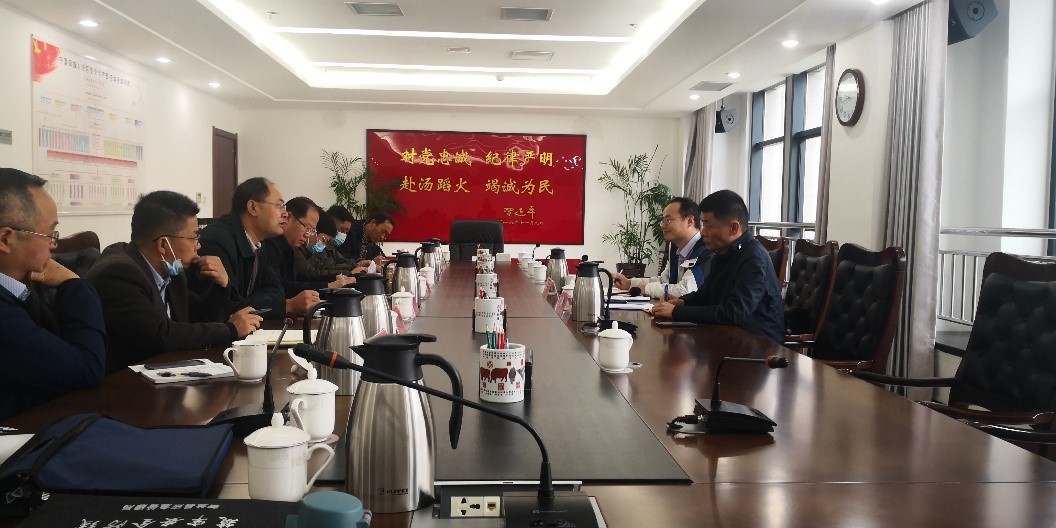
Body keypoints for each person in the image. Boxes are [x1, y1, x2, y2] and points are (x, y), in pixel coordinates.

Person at [86, 191, 263, 373]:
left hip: (163, 373)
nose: (198, 245)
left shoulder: (171, 269)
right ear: (163, 244)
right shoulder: (118, 274)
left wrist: (222, 285)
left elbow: (196, 319)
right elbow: (160, 335)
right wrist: (230, 330)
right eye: (194, 237)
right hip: (123, 381)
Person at [0, 168, 106, 419]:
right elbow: (87, 369)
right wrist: (74, 283)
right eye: (49, 233)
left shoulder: (17, 291)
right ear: (5, 239)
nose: (53, 244)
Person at [651, 190, 784, 343]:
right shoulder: (722, 252)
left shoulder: (753, 257)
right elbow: (706, 294)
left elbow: (734, 312)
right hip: (728, 336)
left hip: (758, 344)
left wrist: (677, 312)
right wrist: (682, 302)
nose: (703, 232)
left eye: (708, 225)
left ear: (733, 228)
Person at [188, 177, 298, 319]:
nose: (285, 213)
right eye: (279, 205)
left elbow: (276, 290)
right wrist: (283, 305)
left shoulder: (259, 242)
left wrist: (245, 302)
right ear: (253, 207)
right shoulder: (216, 241)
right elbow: (226, 307)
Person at [612, 197, 709, 299]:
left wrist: (646, 289)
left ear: (689, 221)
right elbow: (664, 281)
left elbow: (686, 290)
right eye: (663, 221)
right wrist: (630, 283)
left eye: (668, 220)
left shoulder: (706, 249)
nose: (663, 226)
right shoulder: (675, 248)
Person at [262, 197, 353, 298]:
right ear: (288, 218)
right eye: (307, 228)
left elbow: (298, 278)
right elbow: (281, 287)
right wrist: (328, 286)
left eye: (312, 230)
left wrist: (334, 279)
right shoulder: (271, 245)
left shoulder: (289, 247)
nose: (308, 235)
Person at [295, 208, 365, 280]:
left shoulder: (326, 243)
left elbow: (325, 266)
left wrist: (358, 265)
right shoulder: (300, 247)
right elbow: (314, 273)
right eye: (308, 228)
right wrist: (350, 272)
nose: (307, 234)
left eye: (346, 232)